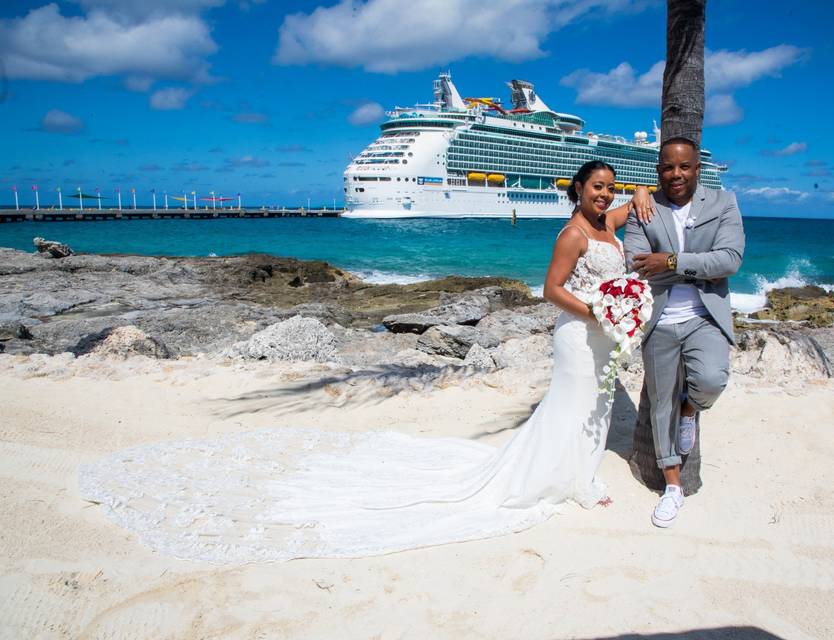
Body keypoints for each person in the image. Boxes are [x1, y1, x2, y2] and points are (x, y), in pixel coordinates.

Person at [78, 162, 656, 562]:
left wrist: (642, 197)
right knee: (571, 402)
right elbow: (550, 290)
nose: (604, 195)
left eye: (610, 188)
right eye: (596, 187)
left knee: (599, 404)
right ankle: (566, 480)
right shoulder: (573, 234)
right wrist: (600, 314)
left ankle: (580, 472)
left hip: (601, 333)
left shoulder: (608, 222)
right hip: (580, 332)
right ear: (576, 188)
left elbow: (631, 213)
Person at [622, 137, 745, 529]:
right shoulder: (644, 207)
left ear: (697, 168)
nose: (676, 174)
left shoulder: (725, 203)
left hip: (704, 316)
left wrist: (669, 261)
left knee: (711, 379)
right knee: (660, 404)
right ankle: (672, 487)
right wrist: (698, 265)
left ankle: (690, 409)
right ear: (658, 169)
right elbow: (634, 264)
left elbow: (730, 260)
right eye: (668, 167)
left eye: (684, 167)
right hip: (659, 320)